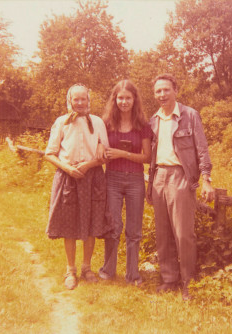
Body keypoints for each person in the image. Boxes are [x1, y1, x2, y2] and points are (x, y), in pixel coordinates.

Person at [146, 73, 215, 301]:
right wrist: (149, 184)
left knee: (184, 233)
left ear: (175, 90)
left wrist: (206, 178)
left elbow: (202, 149)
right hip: (158, 178)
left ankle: (188, 282)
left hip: (181, 177)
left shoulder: (190, 115)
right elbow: (151, 156)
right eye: (158, 91)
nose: (162, 95)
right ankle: (169, 278)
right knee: (163, 233)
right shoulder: (153, 120)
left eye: (166, 90)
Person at [45, 83, 110, 290]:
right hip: (68, 177)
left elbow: (105, 153)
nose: (80, 103)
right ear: (70, 101)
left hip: (93, 178)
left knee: (91, 223)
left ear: (88, 101)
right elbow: (49, 153)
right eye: (76, 99)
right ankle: (70, 270)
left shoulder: (98, 122)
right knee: (69, 225)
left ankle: (86, 267)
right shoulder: (61, 122)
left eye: (84, 99)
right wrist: (68, 168)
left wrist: (89, 163)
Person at [98, 79, 151, 285]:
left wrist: (122, 153)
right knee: (113, 225)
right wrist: (102, 153)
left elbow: (147, 157)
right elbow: (100, 150)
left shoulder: (142, 125)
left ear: (134, 99)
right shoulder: (106, 123)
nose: (124, 101)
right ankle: (108, 270)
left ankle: (132, 274)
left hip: (136, 180)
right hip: (111, 178)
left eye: (128, 98)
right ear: (115, 99)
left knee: (134, 229)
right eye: (120, 97)